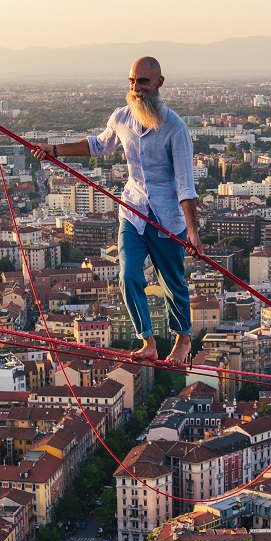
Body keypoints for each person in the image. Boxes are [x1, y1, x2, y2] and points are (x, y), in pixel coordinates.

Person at [48, 57, 201, 366]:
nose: (136, 88)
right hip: (132, 211)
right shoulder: (121, 117)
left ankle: (183, 339)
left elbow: (186, 185)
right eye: (132, 81)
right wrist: (54, 151)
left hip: (167, 217)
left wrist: (193, 231)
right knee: (128, 276)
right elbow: (99, 146)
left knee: (172, 283)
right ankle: (148, 341)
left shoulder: (176, 129)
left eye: (143, 82)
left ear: (159, 82)